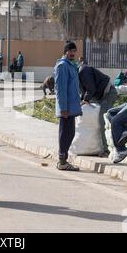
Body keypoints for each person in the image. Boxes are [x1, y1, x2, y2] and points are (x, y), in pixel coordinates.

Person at [78, 60, 118, 157]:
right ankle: (101, 147)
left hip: (108, 94)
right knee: (96, 120)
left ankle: (106, 150)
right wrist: (82, 100)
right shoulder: (79, 75)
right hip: (100, 96)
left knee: (102, 120)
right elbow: (84, 92)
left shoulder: (84, 71)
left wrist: (85, 99)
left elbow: (91, 89)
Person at [54, 42, 82, 171]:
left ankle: (63, 160)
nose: (72, 53)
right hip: (66, 108)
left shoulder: (71, 65)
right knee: (65, 133)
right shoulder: (62, 66)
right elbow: (61, 89)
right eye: (70, 51)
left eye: (74, 51)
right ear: (65, 52)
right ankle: (62, 161)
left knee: (70, 133)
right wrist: (63, 108)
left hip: (71, 107)